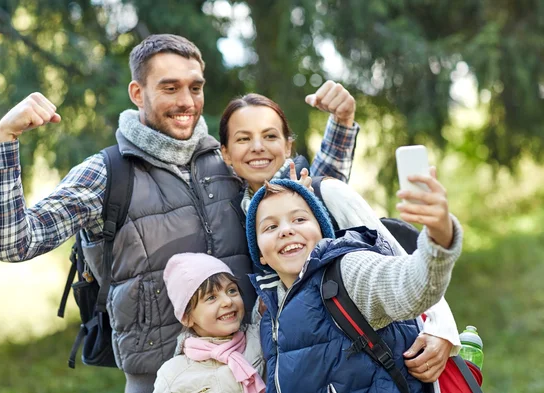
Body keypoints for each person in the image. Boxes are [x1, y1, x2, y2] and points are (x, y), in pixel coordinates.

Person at [0, 34, 357, 392]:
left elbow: (310, 203)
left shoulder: (227, 160)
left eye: (195, 87)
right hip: (160, 381)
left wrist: (341, 123)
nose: (187, 101)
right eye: (169, 87)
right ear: (137, 93)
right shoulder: (106, 174)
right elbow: (15, 243)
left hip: (258, 371)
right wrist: (5, 141)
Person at [219, 92, 462, 383]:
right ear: (225, 153)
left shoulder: (325, 192)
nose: (257, 147)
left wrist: (442, 330)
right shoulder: (240, 215)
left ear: (288, 145)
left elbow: (401, 267)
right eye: (244, 139)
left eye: (270, 136)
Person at [244, 178, 463, 392]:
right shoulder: (268, 312)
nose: (286, 230)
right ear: (260, 254)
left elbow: (411, 287)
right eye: (271, 226)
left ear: (322, 231)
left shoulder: (346, 272)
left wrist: (439, 239)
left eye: (299, 220)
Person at [153, 252, 265, 393]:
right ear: (187, 318)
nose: (227, 301)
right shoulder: (173, 375)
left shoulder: (261, 338)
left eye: (231, 290)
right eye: (211, 297)